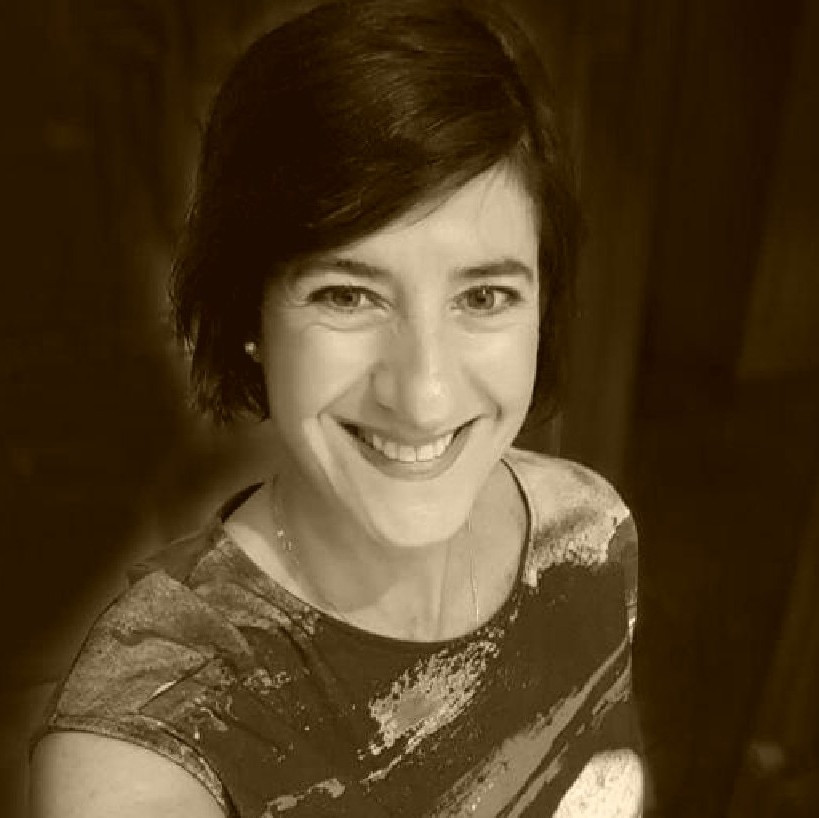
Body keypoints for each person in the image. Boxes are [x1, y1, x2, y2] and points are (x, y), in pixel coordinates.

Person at [30, 0, 643, 815]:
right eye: (347, 295)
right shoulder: (148, 745)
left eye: (484, 296)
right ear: (249, 314)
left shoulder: (587, 532)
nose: (423, 394)